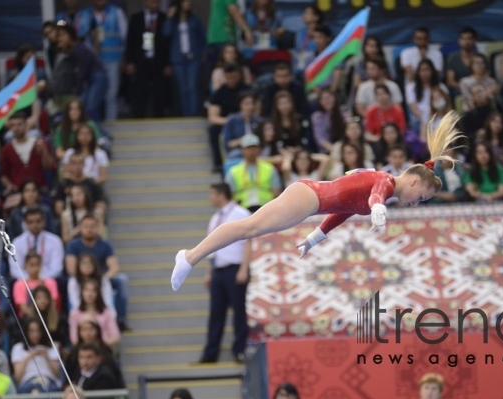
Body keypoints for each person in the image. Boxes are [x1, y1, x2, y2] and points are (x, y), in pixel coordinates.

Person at [171, 111, 464, 291]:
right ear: (414, 181)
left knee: (248, 227)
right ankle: (190, 257)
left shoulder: (384, 186)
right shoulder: (385, 181)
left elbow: (345, 208)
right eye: (421, 197)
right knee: (247, 228)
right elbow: (376, 194)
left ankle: (190, 257)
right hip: (308, 196)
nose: (417, 203)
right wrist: (378, 209)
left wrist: (316, 236)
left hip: (310, 201)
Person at [199, 183, 251, 363]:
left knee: (238, 311)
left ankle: (239, 350)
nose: (210, 198)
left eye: (212, 194)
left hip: (235, 268)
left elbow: (248, 242)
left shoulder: (240, 213)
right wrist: (209, 272)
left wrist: (244, 267)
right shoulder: (215, 218)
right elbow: (210, 248)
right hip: (218, 270)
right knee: (216, 312)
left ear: (221, 195)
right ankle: (211, 353)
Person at [76, 0, 128, 120]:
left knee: (111, 95)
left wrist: (124, 59)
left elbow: (125, 37)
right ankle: (95, 127)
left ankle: (112, 124)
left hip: (113, 60)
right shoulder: (83, 15)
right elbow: (79, 39)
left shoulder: (117, 12)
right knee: (93, 97)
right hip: (92, 63)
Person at [125, 0, 171, 118]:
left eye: (156, 2)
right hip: (141, 61)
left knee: (159, 92)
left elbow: (169, 43)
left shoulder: (164, 18)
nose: (153, 4)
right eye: (151, 2)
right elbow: (130, 41)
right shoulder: (136, 18)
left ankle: (159, 118)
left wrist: (169, 64)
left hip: (159, 62)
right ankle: (139, 119)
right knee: (140, 91)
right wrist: (130, 61)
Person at [163, 0, 206, 117]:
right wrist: (170, 17)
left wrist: (202, 53)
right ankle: (186, 115)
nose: (189, 3)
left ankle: (194, 114)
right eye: (185, 1)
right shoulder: (173, 22)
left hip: (193, 58)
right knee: (182, 89)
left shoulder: (194, 20)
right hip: (178, 58)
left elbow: (202, 37)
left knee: (192, 87)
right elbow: (166, 33)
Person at [208, 63, 251, 173]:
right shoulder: (219, 93)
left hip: (248, 120)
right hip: (228, 123)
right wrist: (231, 121)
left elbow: (255, 108)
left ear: (239, 75)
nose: (232, 80)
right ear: (225, 76)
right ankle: (218, 163)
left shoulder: (246, 90)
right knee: (213, 130)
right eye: (229, 77)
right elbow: (212, 117)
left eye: (234, 77)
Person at [0, 112, 55, 196]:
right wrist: (10, 186)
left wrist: (44, 151)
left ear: (26, 125)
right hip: (18, 192)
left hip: (39, 190)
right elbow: (3, 175)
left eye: (19, 124)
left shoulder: (39, 143)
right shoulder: (6, 150)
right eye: (13, 125)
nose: (16, 128)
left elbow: (50, 167)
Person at [224, 134, 282, 213]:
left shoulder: (270, 169)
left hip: (266, 208)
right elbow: (229, 195)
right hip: (242, 210)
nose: (252, 151)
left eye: (254, 147)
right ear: (243, 150)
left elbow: (276, 193)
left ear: (259, 149)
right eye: (248, 148)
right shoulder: (233, 171)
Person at [9, 208, 65, 281]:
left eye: (38, 221)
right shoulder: (17, 242)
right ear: (25, 223)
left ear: (44, 222)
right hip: (25, 281)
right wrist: (29, 280)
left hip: (48, 280)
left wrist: (41, 279)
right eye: (30, 222)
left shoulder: (55, 241)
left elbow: (57, 268)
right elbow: (15, 269)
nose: (35, 225)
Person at [11, 317, 62, 393]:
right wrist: (29, 356)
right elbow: (18, 377)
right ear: (26, 332)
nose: (35, 335)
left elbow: (56, 374)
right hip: (28, 383)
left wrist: (47, 357)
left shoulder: (52, 347)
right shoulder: (18, 348)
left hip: (49, 382)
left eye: (38, 331)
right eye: (32, 331)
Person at [223, 92, 262, 160]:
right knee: (234, 155)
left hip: (256, 149)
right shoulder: (232, 121)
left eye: (252, 104)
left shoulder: (259, 121)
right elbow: (228, 143)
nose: (250, 107)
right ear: (241, 105)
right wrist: (244, 140)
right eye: (247, 104)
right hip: (239, 150)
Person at [311, 89, 345, 154]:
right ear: (320, 102)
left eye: (329, 97)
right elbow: (320, 138)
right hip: (327, 150)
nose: (327, 101)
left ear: (334, 98)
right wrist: (335, 150)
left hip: (344, 148)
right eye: (324, 99)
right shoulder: (317, 117)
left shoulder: (344, 115)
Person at [445, 27, 477, 95]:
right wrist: (466, 88)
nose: (467, 42)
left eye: (469, 39)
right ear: (459, 41)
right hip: (459, 90)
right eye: (464, 39)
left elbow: (486, 75)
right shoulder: (453, 58)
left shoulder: (479, 57)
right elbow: (451, 81)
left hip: (478, 89)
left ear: (474, 41)